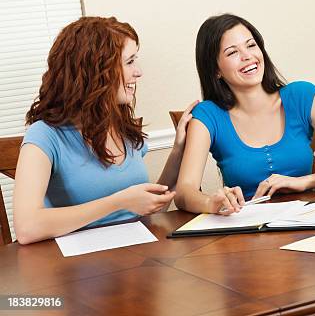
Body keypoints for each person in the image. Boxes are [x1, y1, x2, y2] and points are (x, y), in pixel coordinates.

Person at [13, 16, 202, 245]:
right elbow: (27, 227)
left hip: (136, 261)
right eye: (129, 61)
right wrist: (118, 202)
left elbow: (147, 209)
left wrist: (178, 151)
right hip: (73, 271)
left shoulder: (121, 126)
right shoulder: (44, 135)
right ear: (95, 71)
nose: (139, 72)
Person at [174, 13, 315, 214]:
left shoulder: (303, 96)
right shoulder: (208, 115)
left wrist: (303, 182)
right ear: (215, 70)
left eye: (251, 45)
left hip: (310, 222)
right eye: (232, 52)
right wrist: (211, 202)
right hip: (246, 233)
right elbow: (184, 192)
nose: (247, 56)